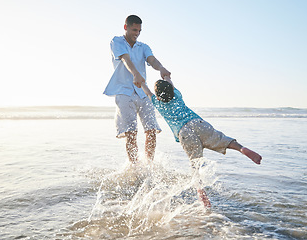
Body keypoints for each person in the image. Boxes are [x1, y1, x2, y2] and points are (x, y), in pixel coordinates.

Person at [141, 77, 262, 208]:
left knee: (195, 163)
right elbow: (170, 83)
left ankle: (200, 191)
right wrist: (167, 77)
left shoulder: (158, 103)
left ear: (158, 97)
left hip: (184, 133)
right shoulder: (177, 95)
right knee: (221, 139)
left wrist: (141, 82)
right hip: (198, 124)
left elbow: (147, 92)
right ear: (172, 91)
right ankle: (241, 149)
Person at [104, 15, 171, 163]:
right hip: (124, 93)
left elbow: (152, 60)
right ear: (125, 27)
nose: (137, 33)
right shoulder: (117, 41)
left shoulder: (143, 47)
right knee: (131, 133)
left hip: (143, 93)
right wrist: (136, 74)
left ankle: (148, 166)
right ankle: (135, 168)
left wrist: (161, 68)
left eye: (139, 30)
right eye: (134, 30)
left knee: (151, 130)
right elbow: (125, 59)